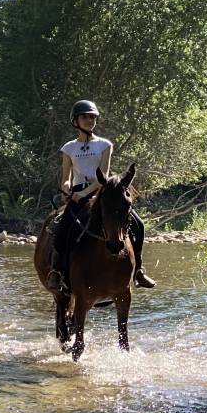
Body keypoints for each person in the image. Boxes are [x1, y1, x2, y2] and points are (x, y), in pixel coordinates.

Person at [47, 99, 156, 293]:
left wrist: (83, 194)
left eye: (92, 117)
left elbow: (102, 176)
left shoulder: (104, 145)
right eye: (85, 117)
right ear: (75, 121)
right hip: (77, 194)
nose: (89, 120)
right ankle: (57, 271)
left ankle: (138, 270)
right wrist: (67, 191)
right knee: (62, 228)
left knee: (138, 224)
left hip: (102, 193)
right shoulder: (69, 148)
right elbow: (66, 178)